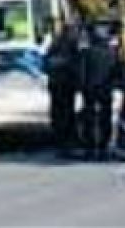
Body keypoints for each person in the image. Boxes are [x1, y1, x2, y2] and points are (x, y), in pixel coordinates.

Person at [78, 24, 117, 160]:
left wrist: (82, 87)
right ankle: (103, 146)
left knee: (89, 118)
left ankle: (90, 147)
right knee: (105, 118)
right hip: (105, 89)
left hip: (90, 89)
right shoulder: (112, 52)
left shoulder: (87, 52)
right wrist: (112, 85)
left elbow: (82, 73)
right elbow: (115, 72)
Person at [44, 20, 80, 153]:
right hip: (64, 85)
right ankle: (66, 140)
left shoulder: (54, 44)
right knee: (65, 113)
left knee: (58, 112)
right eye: (74, 31)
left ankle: (61, 139)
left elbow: (46, 64)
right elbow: (75, 64)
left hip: (56, 84)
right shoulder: (69, 45)